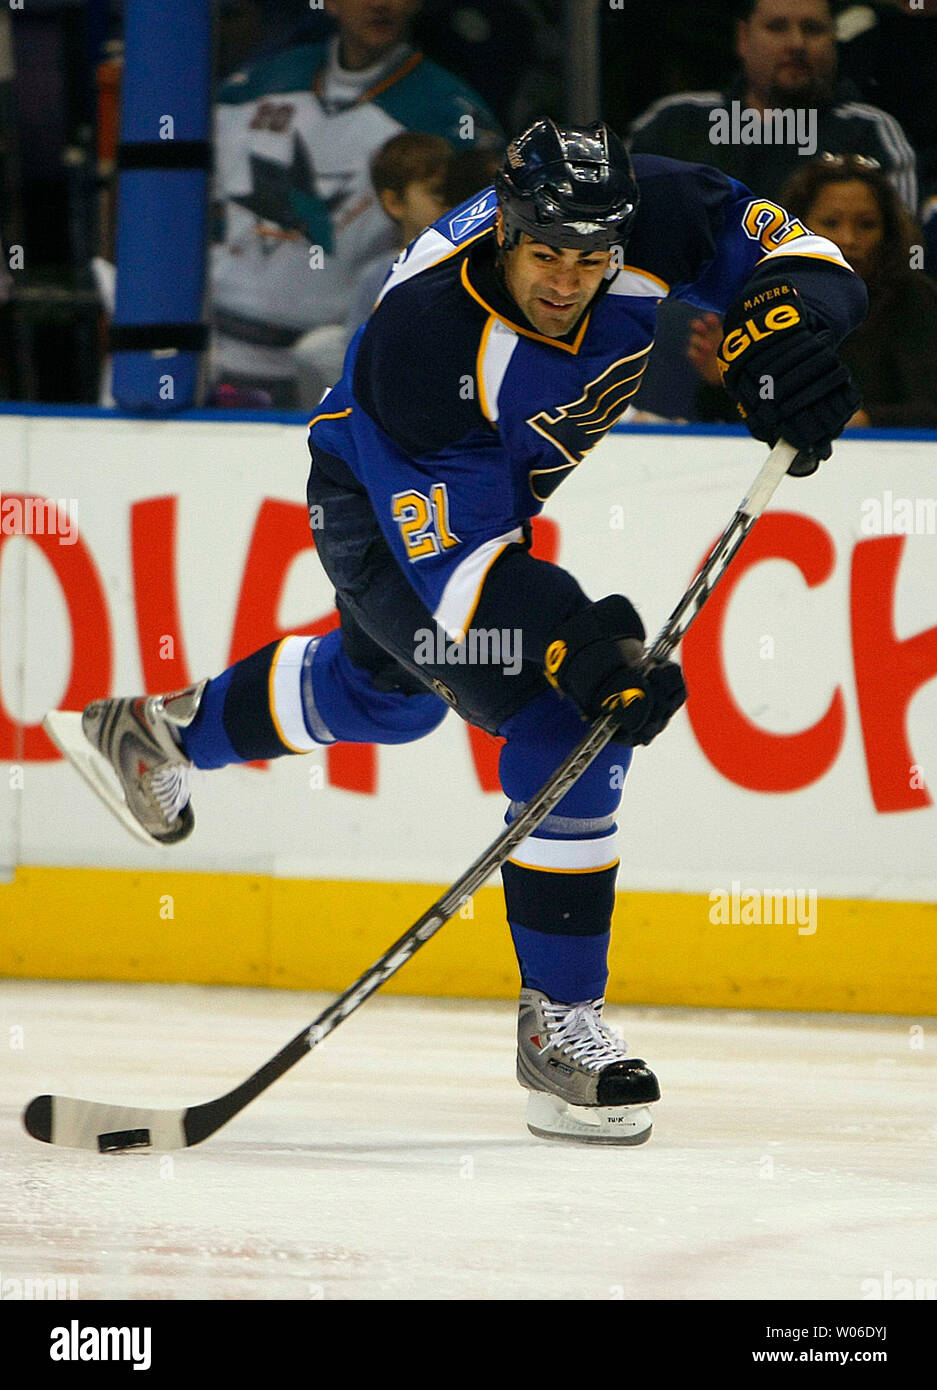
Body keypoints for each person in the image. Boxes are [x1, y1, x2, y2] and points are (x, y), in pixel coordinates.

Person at [46, 121, 866, 1145]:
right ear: (504, 232)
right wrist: (585, 644)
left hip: (490, 504)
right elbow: (466, 579)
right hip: (378, 512)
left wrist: (784, 329)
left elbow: (808, 257)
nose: (569, 281)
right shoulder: (426, 343)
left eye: (591, 259)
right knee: (564, 722)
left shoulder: (643, 207)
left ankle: (158, 729)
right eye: (546, 256)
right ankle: (558, 1027)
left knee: (383, 698)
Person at [210, 0, 501, 407]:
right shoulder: (252, 87)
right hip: (220, 353)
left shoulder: (451, 117)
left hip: (346, 361)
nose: (380, 4)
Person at [689, 154, 937, 427]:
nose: (848, 240)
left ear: (888, 233)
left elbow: (928, 408)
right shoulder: (765, 298)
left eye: (867, 225)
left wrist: (861, 420)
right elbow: (727, 429)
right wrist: (722, 383)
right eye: (830, 223)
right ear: (795, 230)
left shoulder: (914, 299)